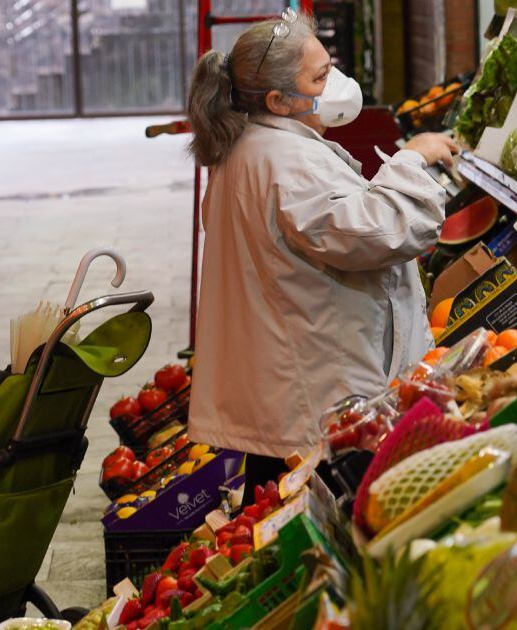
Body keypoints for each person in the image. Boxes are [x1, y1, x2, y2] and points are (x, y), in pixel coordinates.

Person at [185, 10, 458, 494]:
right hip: (310, 404)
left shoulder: (253, 146)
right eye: (321, 76)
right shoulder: (288, 163)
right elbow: (380, 232)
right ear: (278, 100)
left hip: (287, 395)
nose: (336, 86)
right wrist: (413, 159)